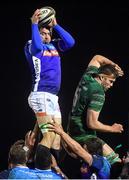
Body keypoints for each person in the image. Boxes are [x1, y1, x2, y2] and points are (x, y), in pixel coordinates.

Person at [24, 7, 75, 162]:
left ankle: (53, 169)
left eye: (48, 33)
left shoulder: (54, 45)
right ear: (37, 34)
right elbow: (38, 46)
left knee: (57, 138)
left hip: (53, 97)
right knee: (49, 135)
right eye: (42, 33)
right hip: (41, 94)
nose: (46, 36)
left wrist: (56, 25)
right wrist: (34, 24)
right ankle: (41, 170)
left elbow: (71, 42)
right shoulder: (31, 45)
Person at [66, 54, 124, 165]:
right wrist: (113, 128)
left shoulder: (88, 76)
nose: (111, 85)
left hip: (72, 126)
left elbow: (97, 58)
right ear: (102, 77)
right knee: (115, 163)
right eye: (110, 81)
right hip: (84, 135)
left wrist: (113, 65)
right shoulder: (98, 93)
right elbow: (92, 123)